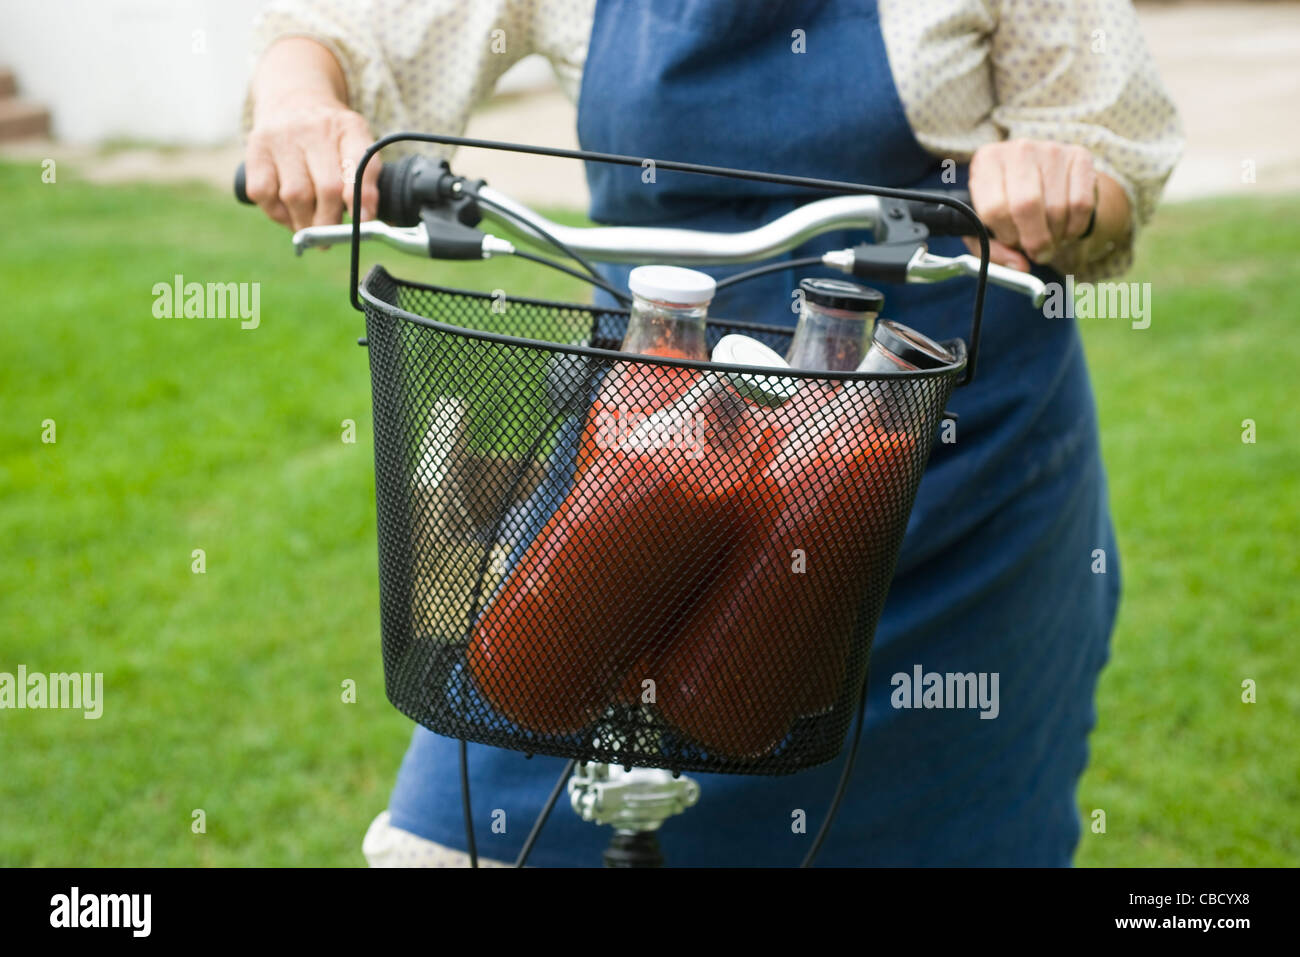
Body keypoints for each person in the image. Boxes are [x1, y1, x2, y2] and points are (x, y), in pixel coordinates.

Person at [242, 0, 1182, 867]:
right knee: (471, 814)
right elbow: (349, 26)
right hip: (652, 431)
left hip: (944, 475)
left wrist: (1061, 181)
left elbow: (1108, 150)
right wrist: (300, 102)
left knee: (950, 830)